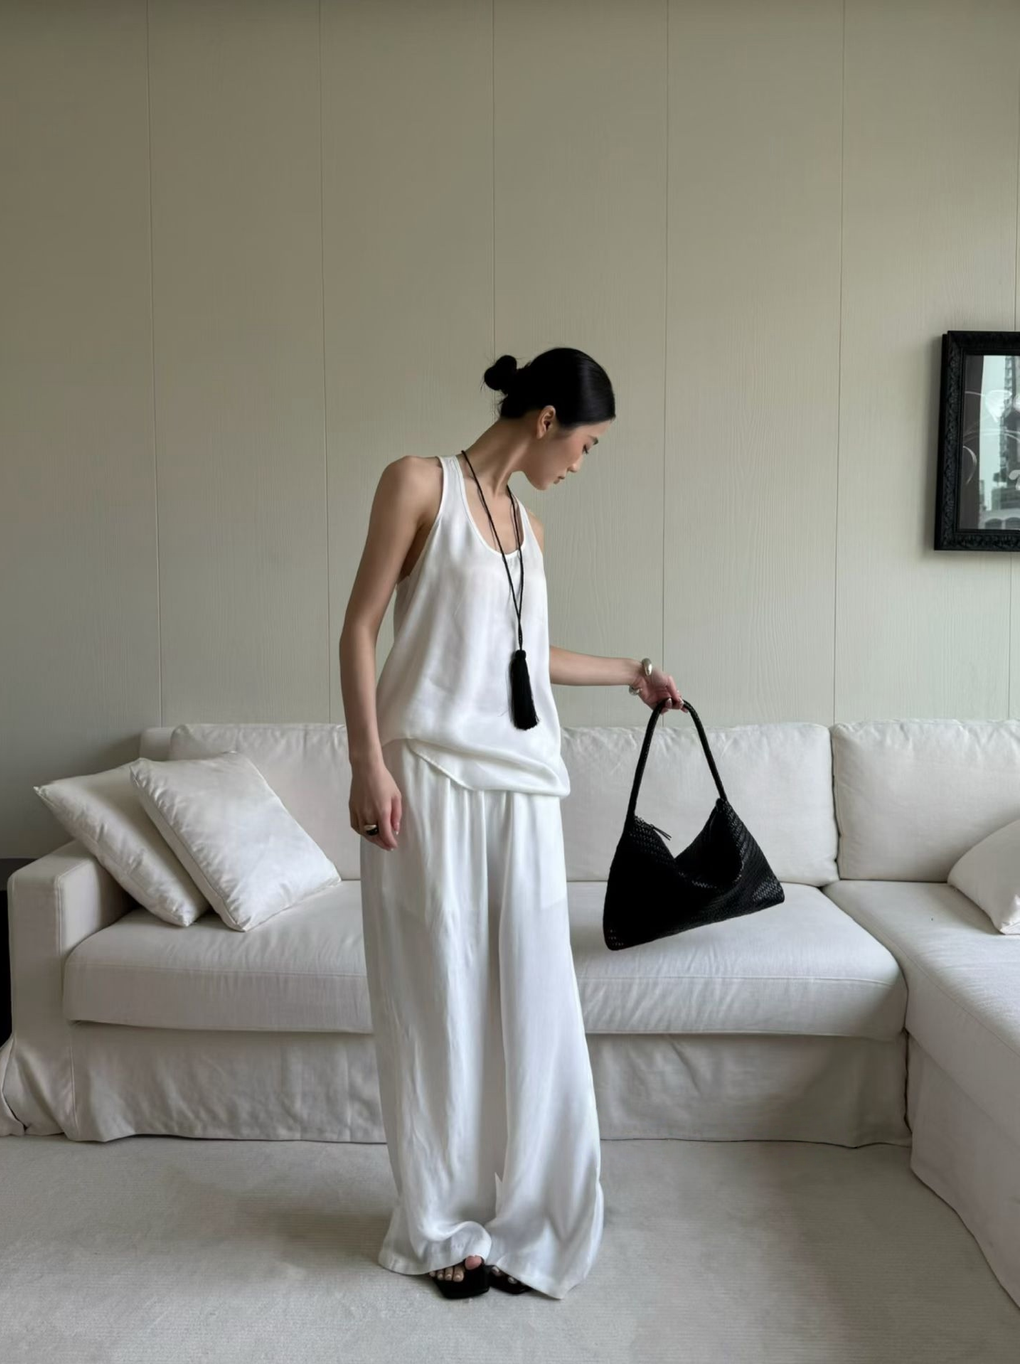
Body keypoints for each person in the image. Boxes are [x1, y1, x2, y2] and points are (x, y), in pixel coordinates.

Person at [338, 346, 684, 1301]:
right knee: (437, 999)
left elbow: (524, 654)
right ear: (546, 421)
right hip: (428, 778)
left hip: (524, 787)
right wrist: (366, 761)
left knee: (530, 999)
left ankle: (525, 1209)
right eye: (587, 443)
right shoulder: (417, 484)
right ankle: (438, 1223)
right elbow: (360, 626)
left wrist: (630, 672)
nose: (583, 461)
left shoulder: (528, 527)